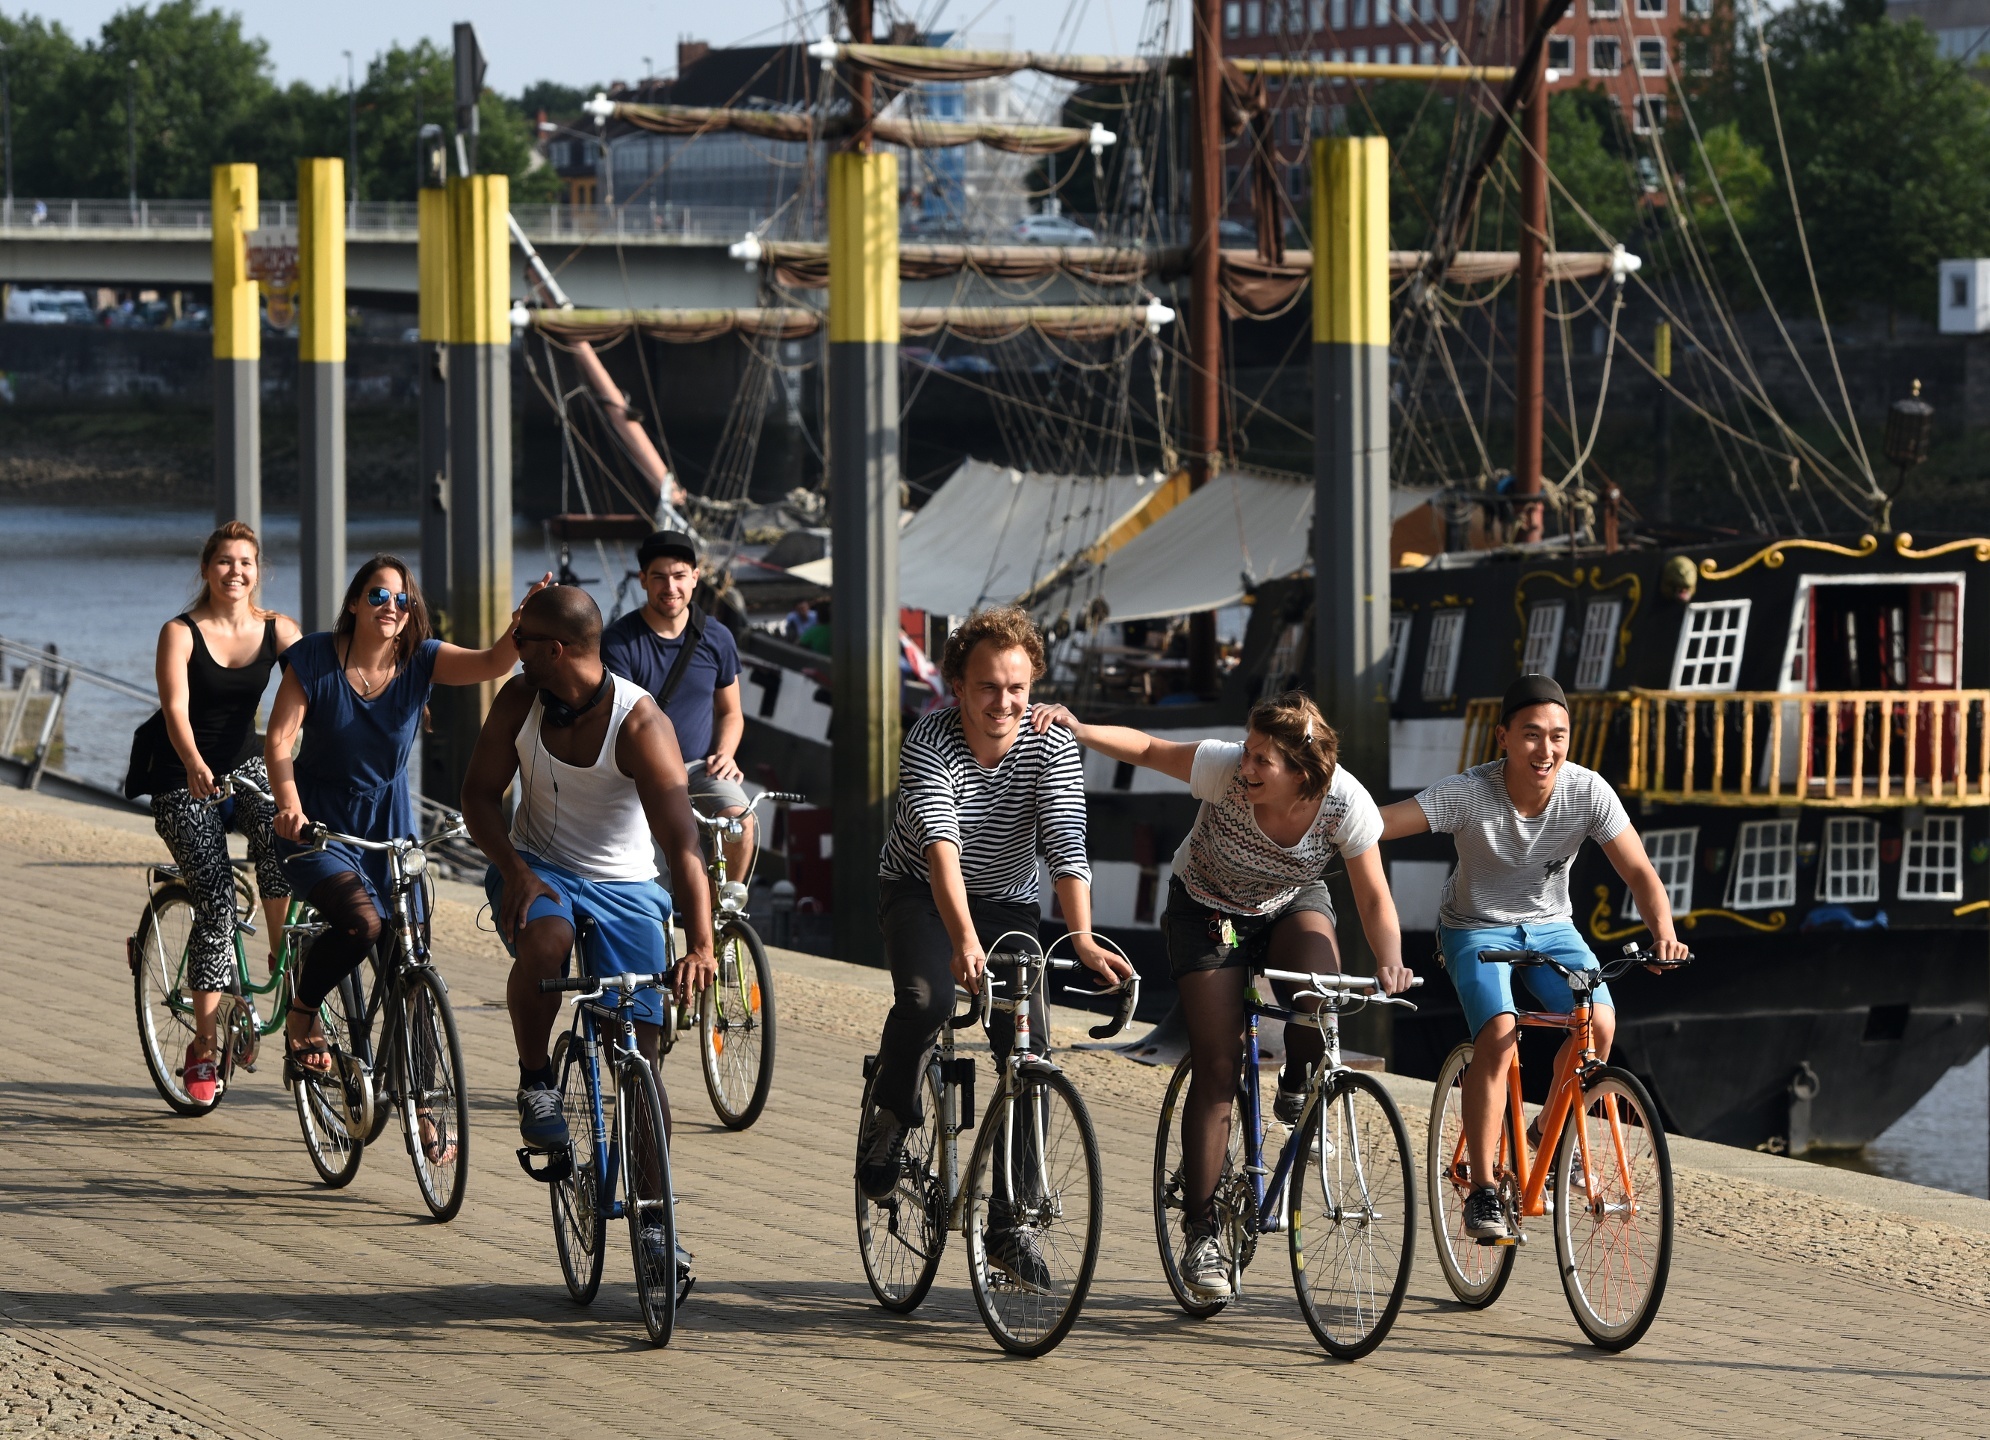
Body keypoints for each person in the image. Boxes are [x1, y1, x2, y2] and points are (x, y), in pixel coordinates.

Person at [1031, 690, 1411, 1302]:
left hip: (1290, 904)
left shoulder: (1345, 803)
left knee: (1318, 993)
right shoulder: (1223, 768)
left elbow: (1372, 899)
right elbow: (1153, 749)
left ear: (1303, 772)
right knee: (1217, 1064)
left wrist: (1390, 961)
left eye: (1264, 760)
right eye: (1249, 752)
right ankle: (1202, 1233)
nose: (1248, 767)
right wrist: (1080, 727)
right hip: (1205, 908)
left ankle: (1298, 1088)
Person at [857, 606, 1135, 1290]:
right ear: (957, 686)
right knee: (924, 1000)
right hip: (920, 890)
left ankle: (1010, 1226)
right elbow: (941, 850)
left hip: (1008, 899)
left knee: (1027, 1046)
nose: (1004, 703)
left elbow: (1066, 844)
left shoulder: (1050, 746)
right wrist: (962, 942)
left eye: (1017, 687)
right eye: (988, 687)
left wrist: (1083, 938)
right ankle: (891, 1113)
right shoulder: (930, 740)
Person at [461, 584, 716, 1293]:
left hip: (627, 886)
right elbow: (478, 795)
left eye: (523, 643)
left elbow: (682, 841)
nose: (513, 654)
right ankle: (538, 1081)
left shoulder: (640, 726)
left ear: (559, 649)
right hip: (537, 868)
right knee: (545, 942)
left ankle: (657, 1220)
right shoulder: (520, 702)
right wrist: (511, 869)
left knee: (642, 1055)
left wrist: (699, 942)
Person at [1377, 674, 1688, 1242]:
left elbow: (1640, 871)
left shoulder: (1588, 792)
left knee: (1599, 1023)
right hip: (1472, 927)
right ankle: (1484, 1191)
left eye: (1558, 736)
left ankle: (1547, 1131)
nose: (1545, 750)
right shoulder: (1470, 792)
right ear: (1502, 737)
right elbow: (1383, 824)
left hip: (1551, 928)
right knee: (1499, 1032)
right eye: (1530, 735)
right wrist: (1327, 817)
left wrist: (1663, 933)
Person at [267, 555, 549, 1105]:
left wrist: (524, 623)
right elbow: (279, 741)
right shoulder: (315, 660)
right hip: (319, 831)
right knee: (362, 924)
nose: (391, 606)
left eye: (402, 599)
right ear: (354, 603)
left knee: (412, 967)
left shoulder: (421, 660)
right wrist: (290, 807)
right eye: (378, 595)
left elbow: (494, 662)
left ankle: (420, 1105)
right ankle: (302, 1014)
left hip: (391, 835)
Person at [139, 521, 301, 1104]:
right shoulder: (180, 633)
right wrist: (191, 763)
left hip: (244, 765)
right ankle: (203, 1047)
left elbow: (312, 691)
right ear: (207, 569)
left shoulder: (279, 629)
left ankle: (285, 973)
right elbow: (175, 709)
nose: (237, 571)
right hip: (181, 774)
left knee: (288, 850)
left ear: (260, 571)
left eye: (247, 562)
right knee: (213, 905)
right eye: (225, 561)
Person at [601, 530, 754, 884]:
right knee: (651, 876)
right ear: (643, 580)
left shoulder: (717, 637)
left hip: (700, 767)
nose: (670, 587)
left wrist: (726, 753)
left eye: (679, 576)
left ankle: (722, 915)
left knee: (741, 821)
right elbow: (621, 722)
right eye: (659, 577)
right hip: (640, 775)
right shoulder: (619, 643)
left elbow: (731, 712)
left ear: (695, 578)